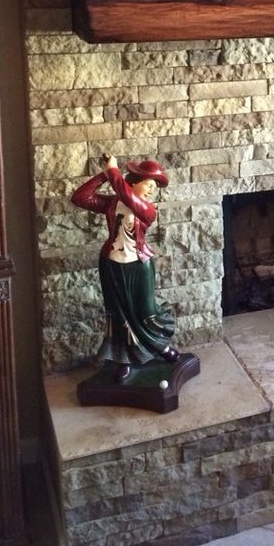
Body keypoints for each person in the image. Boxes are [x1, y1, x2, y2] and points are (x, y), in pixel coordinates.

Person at [71, 154, 179, 382]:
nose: (151, 191)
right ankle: (124, 360)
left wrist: (113, 172)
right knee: (119, 315)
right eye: (149, 185)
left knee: (146, 311)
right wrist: (104, 175)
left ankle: (160, 347)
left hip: (139, 266)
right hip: (111, 264)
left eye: (153, 187)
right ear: (134, 181)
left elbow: (130, 200)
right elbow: (80, 197)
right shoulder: (112, 203)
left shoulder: (147, 209)